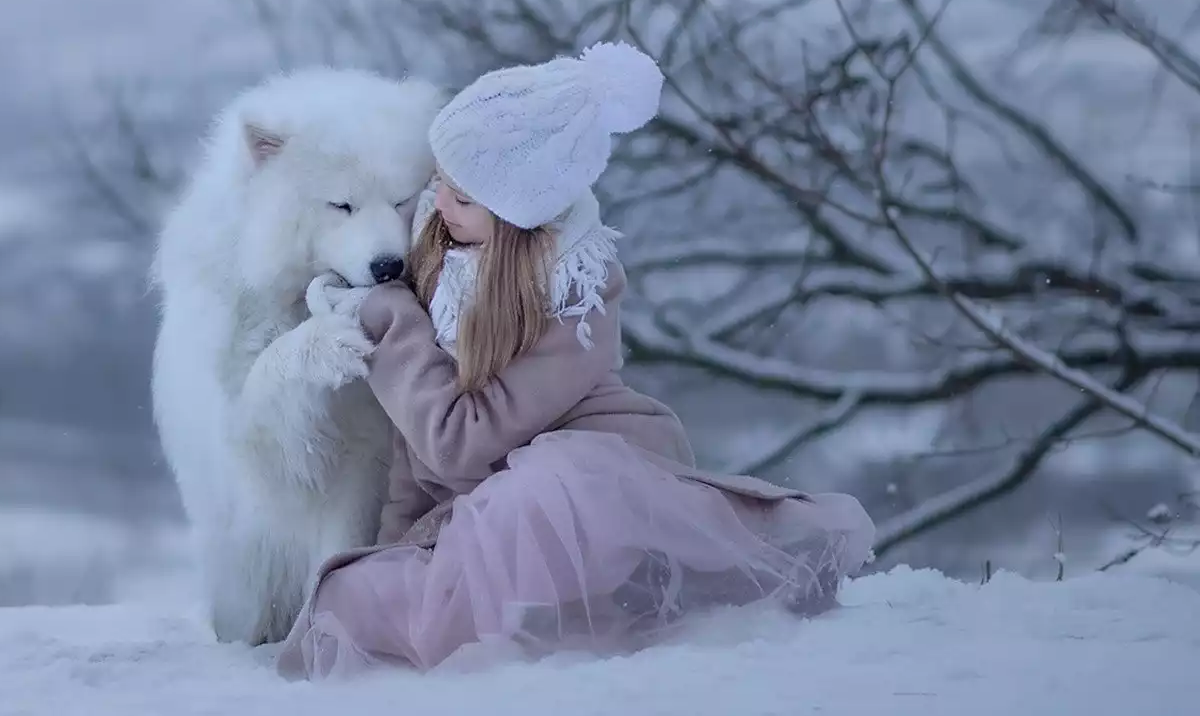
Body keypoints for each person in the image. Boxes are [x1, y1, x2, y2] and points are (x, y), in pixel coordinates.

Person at [277, 41, 877, 679]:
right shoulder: (440, 243)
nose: (438, 202)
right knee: (348, 602)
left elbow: (456, 440)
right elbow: (414, 445)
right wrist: (397, 546)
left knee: (535, 499)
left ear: (517, 217)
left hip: (581, 490)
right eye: (438, 180)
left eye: (462, 195)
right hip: (477, 505)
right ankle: (530, 600)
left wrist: (386, 318)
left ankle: (655, 581)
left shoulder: (575, 291)